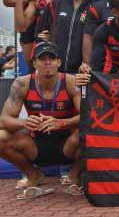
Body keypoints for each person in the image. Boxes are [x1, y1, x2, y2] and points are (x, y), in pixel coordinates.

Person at [0, 42, 83, 198]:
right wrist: (23, 123)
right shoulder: (22, 83)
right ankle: (33, 175)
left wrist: (62, 123)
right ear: (34, 63)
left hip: (67, 144)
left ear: (59, 62)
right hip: (35, 145)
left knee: (89, 132)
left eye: (51, 58)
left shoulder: (71, 81)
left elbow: (88, 116)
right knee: (1, 137)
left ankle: (74, 175)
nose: (47, 62)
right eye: (42, 58)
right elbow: (3, 120)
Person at [35, 0, 93, 74]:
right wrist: (45, 39)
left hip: (81, 70)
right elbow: (40, 31)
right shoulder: (57, 2)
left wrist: (88, 62)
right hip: (55, 69)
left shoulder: (94, 6)